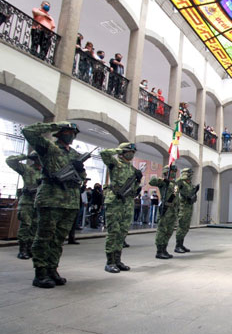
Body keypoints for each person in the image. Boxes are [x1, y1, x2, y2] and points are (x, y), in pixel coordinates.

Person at [22, 121, 85, 288]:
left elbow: (81, 178)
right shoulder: (48, 147)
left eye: (73, 132)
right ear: (60, 132)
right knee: (44, 237)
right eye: (67, 131)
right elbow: (28, 131)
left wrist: (80, 169)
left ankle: (52, 269)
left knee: (58, 239)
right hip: (51, 199)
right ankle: (40, 273)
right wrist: (55, 125)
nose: (70, 135)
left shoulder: (75, 154)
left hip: (70, 201)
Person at [100, 143, 142, 273]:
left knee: (122, 232)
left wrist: (138, 184)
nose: (131, 154)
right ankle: (110, 262)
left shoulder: (132, 169)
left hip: (128, 202)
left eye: (133, 152)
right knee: (114, 232)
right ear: (122, 152)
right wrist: (118, 149)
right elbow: (104, 153)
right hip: (115, 201)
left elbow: (133, 188)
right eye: (129, 151)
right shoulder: (114, 163)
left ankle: (118, 260)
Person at [6, 152, 41, 260]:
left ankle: (30, 248)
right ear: (35, 158)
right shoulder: (27, 169)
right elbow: (10, 161)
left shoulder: (47, 172)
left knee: (35, 226)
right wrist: (26, 156)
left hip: (39, 203)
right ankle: (23, 249)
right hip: (27, 202)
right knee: (26, 225)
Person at [151, 165, 179, 259]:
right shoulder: (163, 182)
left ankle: (164, 249)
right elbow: (152, 182)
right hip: (165, 209)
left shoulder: (175, 184)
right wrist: (163, 180)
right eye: (172, 171)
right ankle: (159, 251)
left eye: (175, 171)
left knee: (169, 231)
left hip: (173, 210)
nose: (174, 173)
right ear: (166, 172)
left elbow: (176, 198)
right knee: (162, 230)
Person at [174, 168, 200, 253]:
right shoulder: (181, 182)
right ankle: (177, 246)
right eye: (189, 173)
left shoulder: (189, 184)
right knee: (181, 227)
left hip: (189, 207)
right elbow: (175, 186)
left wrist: (194, 194)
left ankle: (181, 244)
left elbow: (192, 196)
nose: (191, 175)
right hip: (183, 208)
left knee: (186, 227)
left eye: (191, 173)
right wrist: (182, 177)